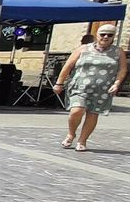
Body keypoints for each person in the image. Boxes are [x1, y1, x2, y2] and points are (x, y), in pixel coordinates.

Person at [54, 23, 127, 152]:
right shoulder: (83, 49)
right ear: (96, 35)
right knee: (76, 111)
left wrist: (116, 83)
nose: (105, 37)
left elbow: (122, 69)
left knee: (92, 114)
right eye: (102, 34)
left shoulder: (118, 51)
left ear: (113, 37)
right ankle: (71, 134)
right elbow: (68, 66)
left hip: (102, 89)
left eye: (109, 35)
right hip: (80, 86)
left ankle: (82, 141)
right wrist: (59, 83)